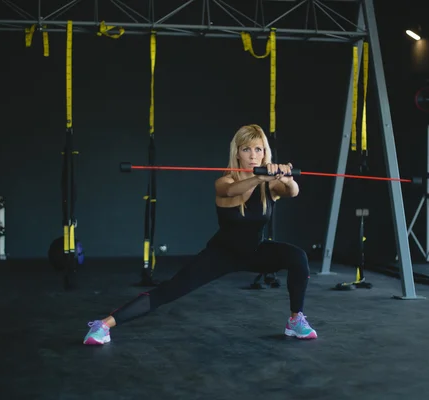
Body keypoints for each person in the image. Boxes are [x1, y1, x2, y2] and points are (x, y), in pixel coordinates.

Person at [83, 124, 317, 345]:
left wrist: (286, 177)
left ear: (265, 153)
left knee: (297, 257)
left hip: (255, 251)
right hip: (221, 254)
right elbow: (234, 191)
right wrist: (259, 178)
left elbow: (293, 192)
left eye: (259, 149)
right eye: (247, 149)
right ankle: (103, 326)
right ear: (237, 153)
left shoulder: (270, 185)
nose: (253, 155)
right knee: (170, 290)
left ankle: (295, 320)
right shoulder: (224, 181)